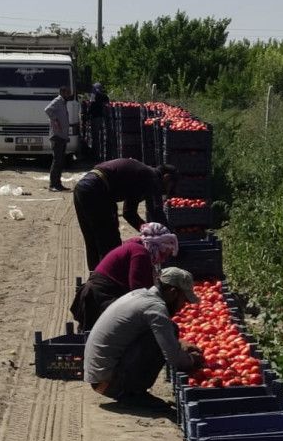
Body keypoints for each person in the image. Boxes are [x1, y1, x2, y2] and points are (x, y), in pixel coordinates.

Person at [83, 267, 204, 409]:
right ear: (173, 292)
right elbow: (174, 358)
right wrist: (192, 360)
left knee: (167, 330)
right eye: (184, 300)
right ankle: (133, 394)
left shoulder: (140, 294)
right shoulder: (155, 308)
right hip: (109, 382)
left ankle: (131, 391)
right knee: (169, 329)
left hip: (99, 377)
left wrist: (179, 344)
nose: (182, 306)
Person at [70, 222, 179, 330]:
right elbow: (139, 292)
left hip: (102, 294)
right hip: (100, 298)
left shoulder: (137, 248)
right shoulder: (140, 253)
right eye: (164, 254)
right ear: (157, 246)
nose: (163, 260)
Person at [73, 158, 177, 270]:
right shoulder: (151, 177)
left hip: (83, 188)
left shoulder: (140, 177)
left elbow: (129, 213)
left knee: (93, 241)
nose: (169, 191)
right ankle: (108, 277)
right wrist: (171, 238)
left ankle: (95, 276)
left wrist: (147, 231)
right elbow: (156, 210)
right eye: (171, 186)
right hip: (96, 189)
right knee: (109, 242)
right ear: (166, 178)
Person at [44, 86, 72, 192]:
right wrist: (55, 120)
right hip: (57, 136)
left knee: (60, 161)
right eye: (67, 93)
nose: (69, 95)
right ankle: (53, 185)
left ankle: (58, 184)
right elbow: (47, 110)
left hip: (62, 136)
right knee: (57, 161)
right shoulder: (57, 101)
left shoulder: (63, 102)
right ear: (63, 92)